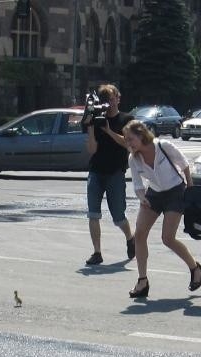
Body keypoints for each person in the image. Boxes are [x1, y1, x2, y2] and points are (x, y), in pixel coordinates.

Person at [123, 120, 201, 298]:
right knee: (139, 234)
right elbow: (137, 184)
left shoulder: (163, 146)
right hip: (153, 194)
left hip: (175, 192)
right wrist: (142, 197)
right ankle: (142, 280)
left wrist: (189, 188)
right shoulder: (133, 158)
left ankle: (195, 268)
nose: (128, 143)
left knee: (167, 238)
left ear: (141, 135)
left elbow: (184, 164)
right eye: (126, 140)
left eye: (130, 139)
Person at [82, 83, 135, 266]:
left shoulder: (127, 119)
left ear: (118, 99)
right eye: (107, 101)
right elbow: (91, 149)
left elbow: (128, 144)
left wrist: (109, 131)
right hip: (96, 171)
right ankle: (97, 252)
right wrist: (90, 127)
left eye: (113, 99)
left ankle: (130, 237)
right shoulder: (97, 120)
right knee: (93, 214)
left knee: (118, 216)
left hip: (115, 173)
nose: (110, 104)